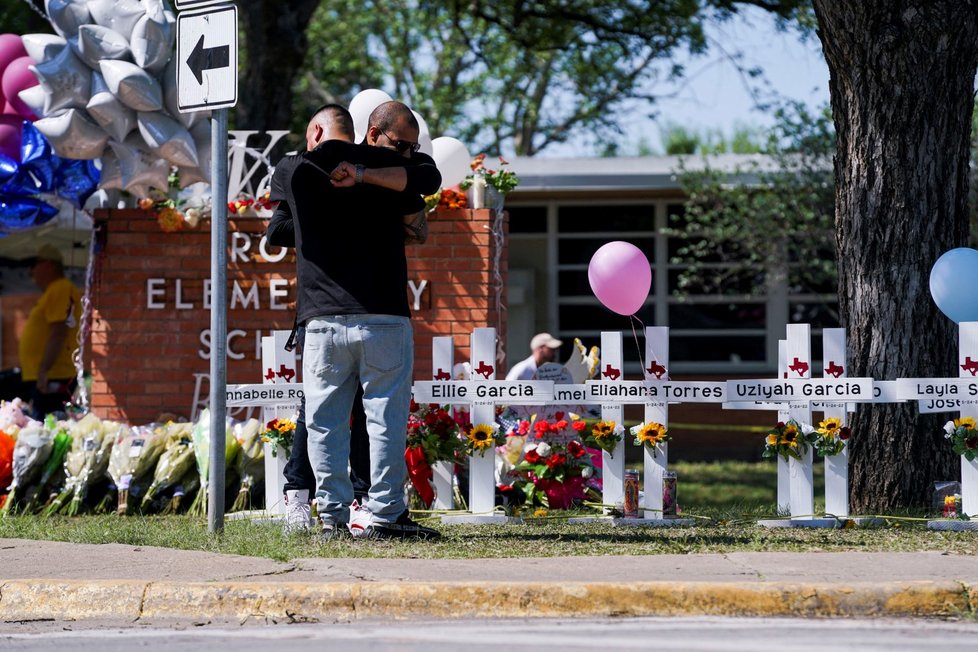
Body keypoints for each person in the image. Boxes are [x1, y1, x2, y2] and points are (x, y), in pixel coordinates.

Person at [268, 100, 441, 540]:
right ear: (369, 131)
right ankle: (383, 516)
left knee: (324, 422)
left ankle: (332, 520)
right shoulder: (391, 165)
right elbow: (429, 177)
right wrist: (368, 176)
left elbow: (276, 231)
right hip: (383, 312)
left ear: (317, 133)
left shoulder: (295, 168)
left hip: (322, 316)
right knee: (385, 420)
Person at [18, 244, 82, 419]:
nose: (32, 271)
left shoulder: (60, 288)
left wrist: (43, 369)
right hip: (50, 375)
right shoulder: (54, 290)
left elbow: (59, 331)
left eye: (36, 264)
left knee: (46, 429)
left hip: (53, 375)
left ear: (49, 265)